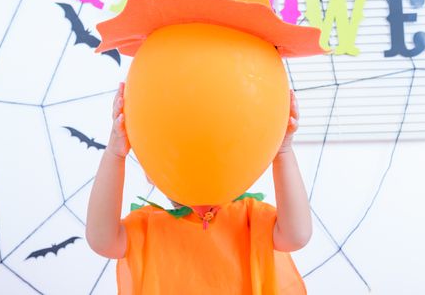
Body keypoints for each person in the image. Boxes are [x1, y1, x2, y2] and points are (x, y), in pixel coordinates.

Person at [86, 81, 312, 294]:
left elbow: (297, 236)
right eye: (175, 160)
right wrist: (115, 153)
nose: (194, 176)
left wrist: (283, 151)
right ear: (150, 170)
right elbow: (101, 240)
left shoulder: (250, 218)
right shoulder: (148, 227)